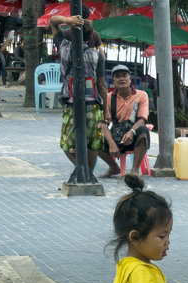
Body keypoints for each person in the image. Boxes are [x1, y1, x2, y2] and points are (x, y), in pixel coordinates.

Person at [50, 14, 110, 170]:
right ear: (90, 36)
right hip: (93, 105)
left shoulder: (63, 47)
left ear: (70, 34)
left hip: (71, 103)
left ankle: (80, 169)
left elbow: (53, 22)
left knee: (66, 142)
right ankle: (88, 173)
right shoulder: (97, 56)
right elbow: (102, 85)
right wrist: (106, 110)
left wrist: (68, 20)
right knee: (92, 142)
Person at [99, 64, 151, 178]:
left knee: (143, 131)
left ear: (130, 79)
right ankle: (113, 167)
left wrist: (132, 132)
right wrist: (111, 143)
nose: (121, 79)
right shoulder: (108, 97)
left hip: (135, 134)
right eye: (117, 76)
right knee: (93, 135)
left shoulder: (142, 95)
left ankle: (135, 170)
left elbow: (142, 119)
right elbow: (102, 123)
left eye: (124, 75)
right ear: (113, 80)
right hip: (116, 135)